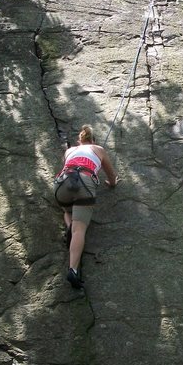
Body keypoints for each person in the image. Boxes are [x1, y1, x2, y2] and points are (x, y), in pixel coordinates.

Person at [53, 124, 118, 289]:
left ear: (79, 140)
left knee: (66, 209)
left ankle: (69, 224)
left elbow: (66, 166)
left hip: (62, 183)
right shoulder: (99, 149)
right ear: (93, 140)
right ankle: (73, 269)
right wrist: (112, 183)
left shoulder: (69, 151)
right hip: (84, 181)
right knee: (79, 230)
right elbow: (111, 176)